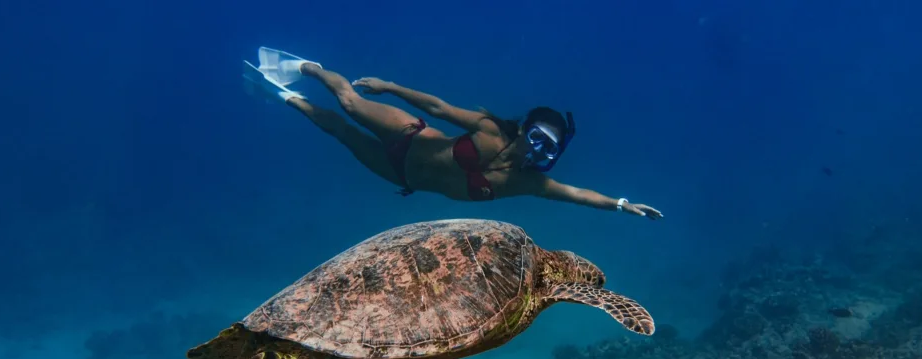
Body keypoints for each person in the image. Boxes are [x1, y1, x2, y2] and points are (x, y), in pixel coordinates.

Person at [243, 47, 663, 219]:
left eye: (547, 146)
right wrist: (391, 87)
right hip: (410, 134)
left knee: (339, 132)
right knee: (349, 104)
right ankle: (308, 69)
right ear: (524, 128)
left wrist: (621, 204)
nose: (536, 148)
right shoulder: (489, 132)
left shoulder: (529, 183)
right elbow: (438, 108)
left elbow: (576, 194)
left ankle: (286, 98)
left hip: (400, 175)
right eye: (535, 135)